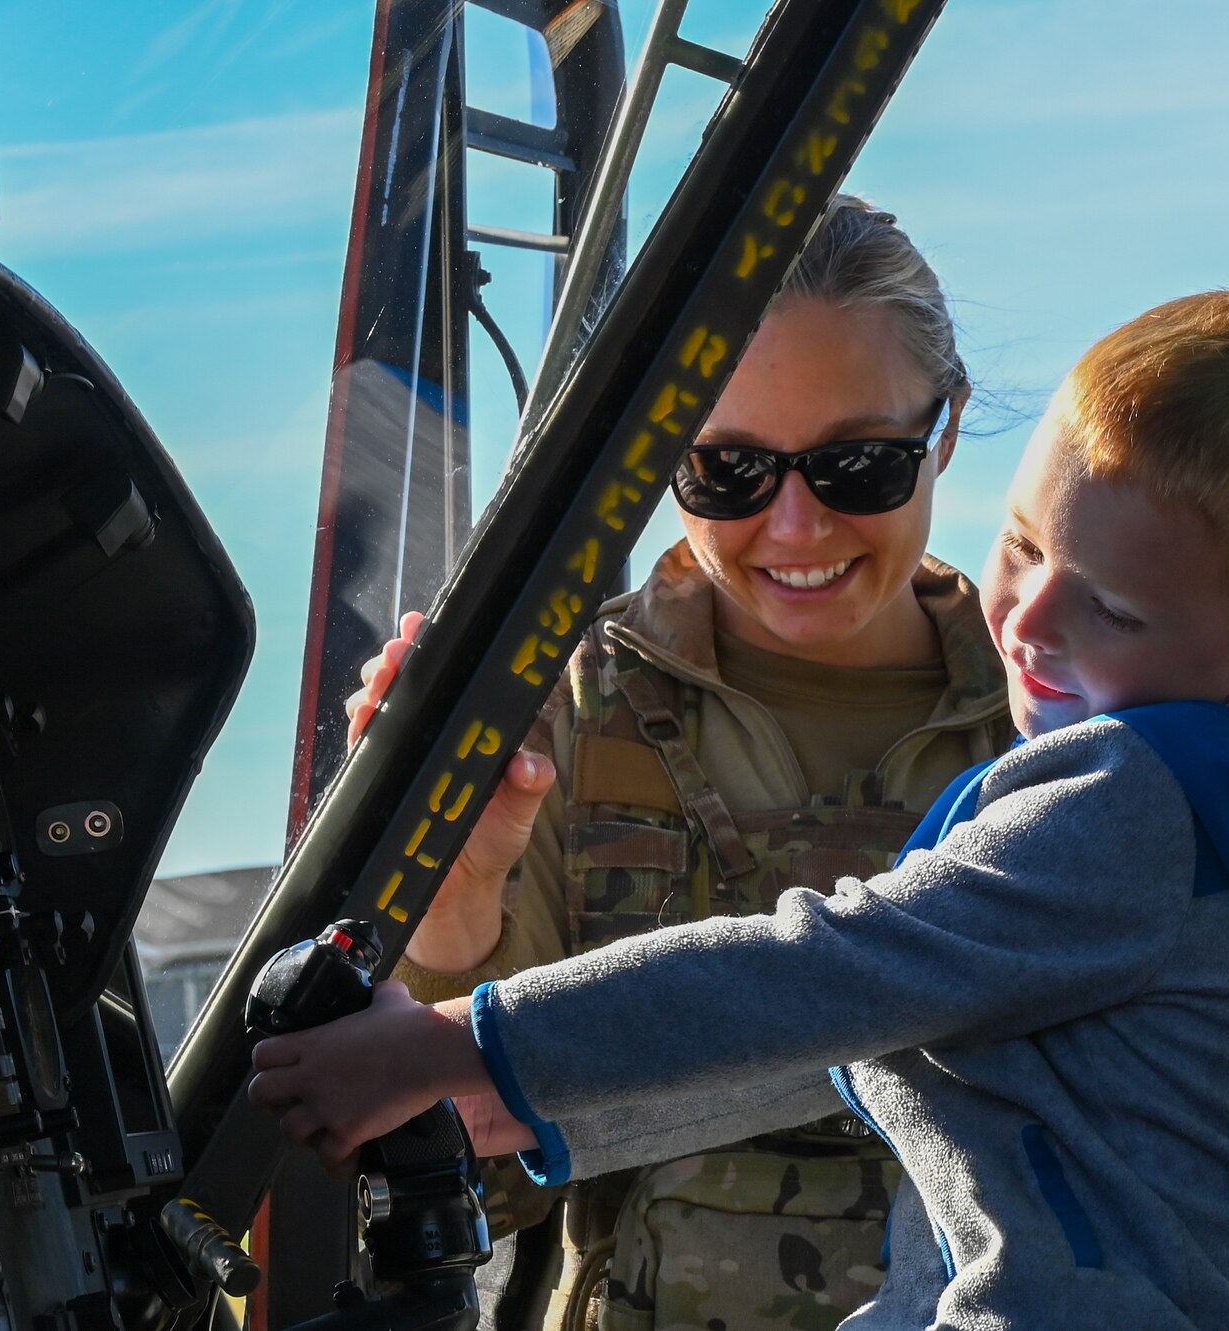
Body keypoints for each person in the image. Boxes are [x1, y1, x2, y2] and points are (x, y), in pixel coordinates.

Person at [260, 289, 1229, 1330]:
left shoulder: (1129, 802)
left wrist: (461, 1041)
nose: (1027, 622)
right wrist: (533, 1099)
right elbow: (874, 1033)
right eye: (1023, 546)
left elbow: (826, 973)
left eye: (1113, 607)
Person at [344, 194, 1015, 1331]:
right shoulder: (560, 709)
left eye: (857, 464)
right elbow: (481, 1191)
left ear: (942, 429)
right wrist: (453, 907)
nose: (794, 527)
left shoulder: (1054, 724)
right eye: (729, 471)